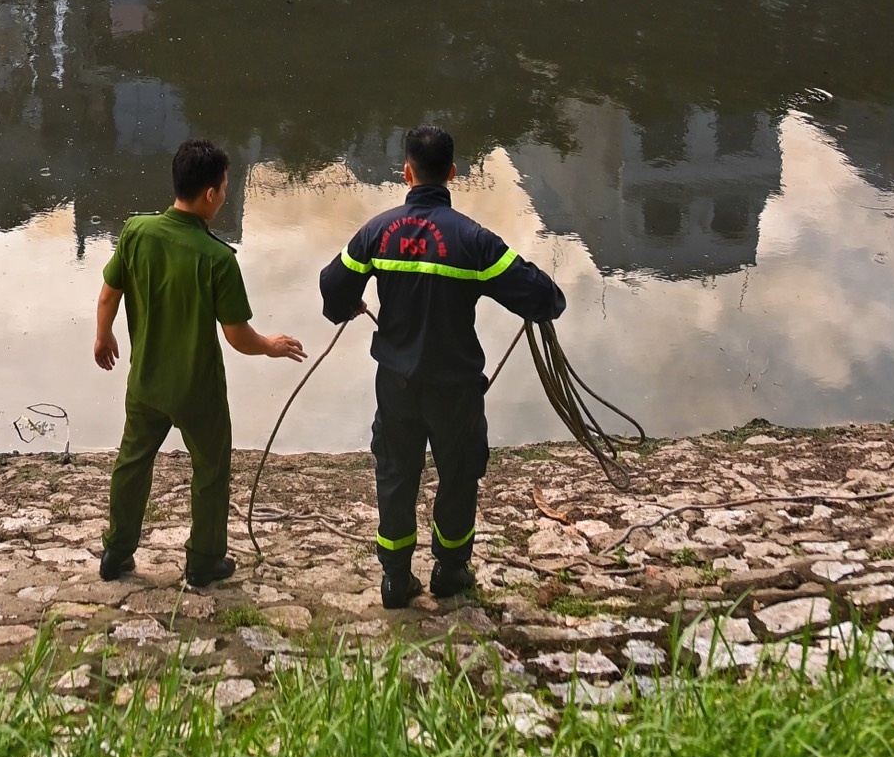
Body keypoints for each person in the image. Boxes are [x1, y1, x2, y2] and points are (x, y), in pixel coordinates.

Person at [319, 122, 565, 609]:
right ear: (452, 173)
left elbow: (332, 286)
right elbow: (541, 296)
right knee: (458, 475)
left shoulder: (378, 232)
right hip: (455, 388)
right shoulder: (473, 241)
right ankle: (450, 573)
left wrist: (346, 306)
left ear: (406, 172)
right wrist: (549, 303)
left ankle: (394, 579)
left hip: (396, 383)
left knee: (395, 474)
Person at [96, 137, 305, 589]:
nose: (225, 195)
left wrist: (102, 334)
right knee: (210, 470)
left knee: (132, 462)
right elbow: (237, 336)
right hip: (198, 390)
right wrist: (271, 344)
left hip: (146, 382)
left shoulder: (136, 232)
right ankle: (203, 561)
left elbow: (110, 292)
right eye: (225, 188)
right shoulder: (217, 259)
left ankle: (116, 552)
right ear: (210, 194)